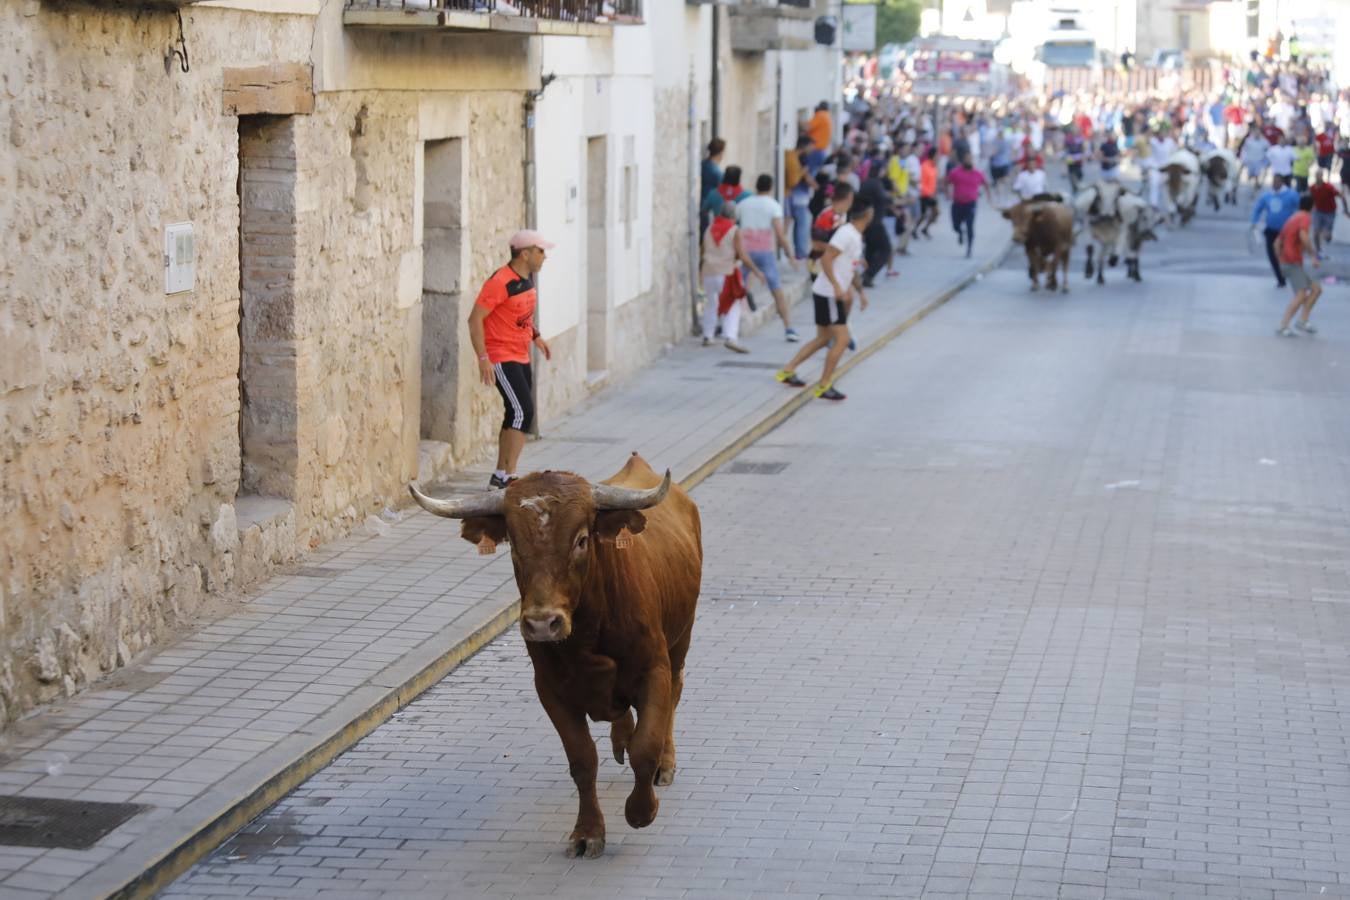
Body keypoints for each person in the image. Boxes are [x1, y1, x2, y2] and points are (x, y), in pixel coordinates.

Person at [469, 230, 554, 490]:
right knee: (522, 412)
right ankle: (509, 477)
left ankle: (500, 475)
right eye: (541, 251)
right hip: (501, 356)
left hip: (520, 354)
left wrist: (535, 336)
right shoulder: (500, 281)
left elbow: (521, 316)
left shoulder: (526, 281)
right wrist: (483, 357)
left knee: (514, 413)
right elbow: (475, 319)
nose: (545, 257)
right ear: (525, 253)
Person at [774, 203, 872, 402]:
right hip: (829, 294)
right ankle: (824, 384)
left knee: (822, 338)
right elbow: (826, 259)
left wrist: (860, 293)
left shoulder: (854, 235)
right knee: (842, 340)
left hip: (828, 292)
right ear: (867, 216)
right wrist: (837, 287)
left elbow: (847, 266)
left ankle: (787, 370)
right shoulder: (847, 234)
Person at [737, 173, 800, 342]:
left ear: (756, 186)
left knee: (737, 287)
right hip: (765, 252)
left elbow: (736, 225)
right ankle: (788, 328)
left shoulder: (743, 204)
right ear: (771, 187)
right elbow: (780, 234)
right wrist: (789, 254)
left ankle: (729, 324)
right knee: (777, 291)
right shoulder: (773, 206)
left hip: (745, 251)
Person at [700, 201, 765, 354]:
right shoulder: (734, 230)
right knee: (733, 303)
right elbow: (742, 254)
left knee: (711, 303)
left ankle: (708, 335)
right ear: (734, 215)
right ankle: (730, 337)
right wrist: (756, 271)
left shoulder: (709, 228)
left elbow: (703, 251)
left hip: (708, 271)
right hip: (726, 272)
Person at [1275, 194, 1322, 336]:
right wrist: (1313, 256)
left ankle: (1302, 320)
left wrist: (1280, 261)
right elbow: (1304, 236)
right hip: (1292, 262)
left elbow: (1276, 243)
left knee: (1316, 289)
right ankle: (1284, 325)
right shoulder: (1305, 218)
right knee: (1301, 295)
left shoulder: (1292, 218)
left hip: (1287, 262)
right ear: (1312, 207)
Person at [1250, 174, 1300, 287]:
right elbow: (1258, 208)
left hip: (1286, 231)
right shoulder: (1267, 196)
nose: (1274, 184)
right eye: (1273, 182)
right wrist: (1255, 221)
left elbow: (1299, 209)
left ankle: (1289, 274)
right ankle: (1280, 278)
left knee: (1286, 254)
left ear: (1282, 182)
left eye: (1277, 182)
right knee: (1272, 254)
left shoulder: (1291, 195)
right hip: (1271, 230)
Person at [946, 151, 991, 258]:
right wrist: (947, 193)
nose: (969, 160)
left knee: (970, 226)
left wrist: (989, 196)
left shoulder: (978, 173)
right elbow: (947, 182)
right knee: (955, 225)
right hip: (957, 203)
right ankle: (960, 232)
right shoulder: (955, 172)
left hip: (971, 204)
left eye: (970, 158)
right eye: (967, 158)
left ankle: (969, 248)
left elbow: (986, 184)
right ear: (963, 160)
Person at [785, 135, 816, 261]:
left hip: (794, 196)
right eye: (811, 145)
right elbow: (793, 181)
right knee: (801, 224)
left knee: (797, 223)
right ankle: (800, 252)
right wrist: (803, 173)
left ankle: (798, 251)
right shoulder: (794, 159)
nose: (813, 148)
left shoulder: (797, 157)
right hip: (795, 196)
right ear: (805, 146)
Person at [1308, 169, 1348, 257]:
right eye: (1317, 175)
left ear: (1322, 176)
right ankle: (1318, 250)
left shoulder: (1328, 187)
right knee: (1316, 231)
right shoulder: (1312, 187)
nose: (1318, 177)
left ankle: (1326, 237)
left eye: (1320, 175)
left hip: (1329, 212)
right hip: (1318, 211)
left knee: (1327, 236)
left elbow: (1341, 196)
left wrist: (1346, 210)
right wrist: (1308, 211)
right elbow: (1310, 200)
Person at [913, 147, 940, 238]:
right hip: (924, 194)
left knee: (936, 212)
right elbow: (921, 181)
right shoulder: (925, 166)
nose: (938, 157)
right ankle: (915, 229)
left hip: (931, 194)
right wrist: (926, 192)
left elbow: (934, 181)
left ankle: (925, 228)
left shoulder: (934, 166)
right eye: (937, 155)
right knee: (923, 215)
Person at [804, 102, 833, 174]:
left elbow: (807, 127)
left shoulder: (821, 115)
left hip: (815, 150)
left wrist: (798, 121)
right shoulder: (827, 116)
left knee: (807, 174)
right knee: (812, 173)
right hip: (821, 151)